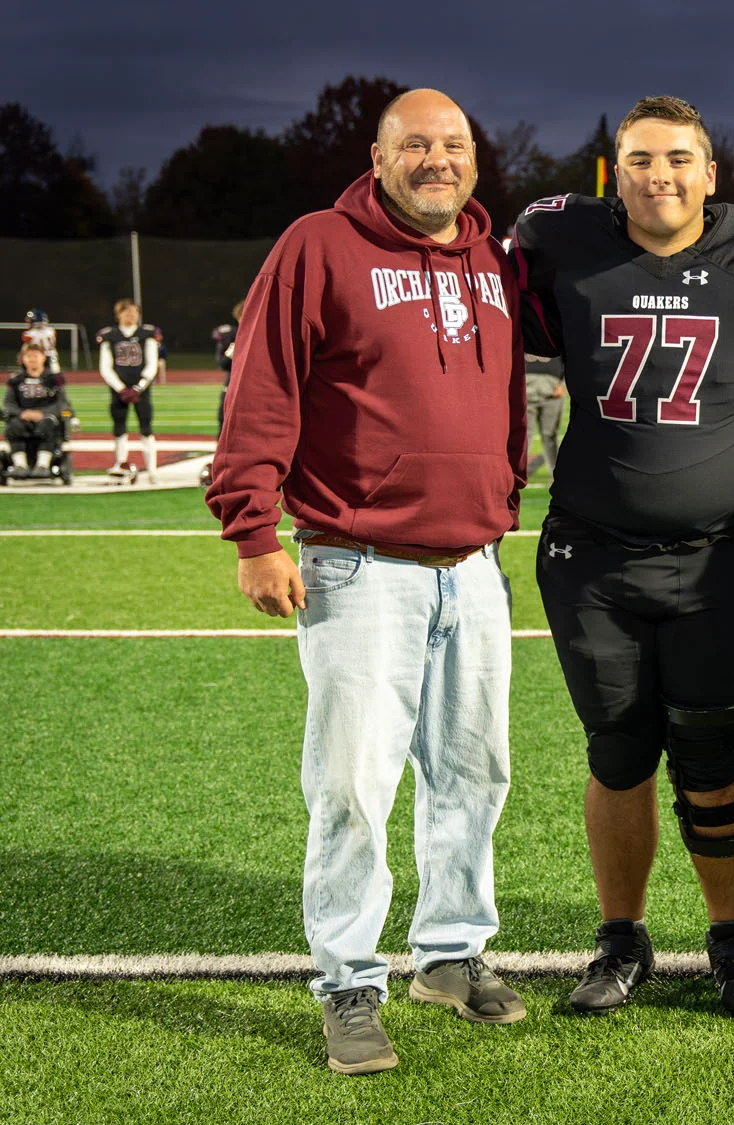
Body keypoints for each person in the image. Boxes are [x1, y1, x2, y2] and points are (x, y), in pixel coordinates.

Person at [206, 88, 529, 1076]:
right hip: (358, 565)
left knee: (473, 777)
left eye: (455, 145)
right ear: (379, 156)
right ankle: (349, 980)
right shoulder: (319, 244)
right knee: (351, 784)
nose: (439, 159)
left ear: (475, 159)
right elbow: (264, 386)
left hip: (473, 569)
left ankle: (449, 953)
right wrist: (253, 530)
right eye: (418, 145)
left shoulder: (494, 260)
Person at [513, 95, 734, 1017]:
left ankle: (733, 939)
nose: (662, 177)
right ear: (617, 170)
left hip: (720, 557)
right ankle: (622, 938)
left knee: (714, 753)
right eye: (642, 160)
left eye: (680, 159)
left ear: (712, 172)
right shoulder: (557, 240)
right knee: (618, 753)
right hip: (591, 557)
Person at [96, 300, 162, 483]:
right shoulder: (109, 336)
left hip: (141, 390)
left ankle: (152, 471)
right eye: (126, 313)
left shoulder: (146, 334)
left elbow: (152, 363)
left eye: (134, 312)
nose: (131, 316)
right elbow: (105, 367)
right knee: (119, 429)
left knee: (146, 429)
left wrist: (138, 387)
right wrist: (121, 389)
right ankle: (120, 466)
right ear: (118, 315)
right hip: (119, 390)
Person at [3, 341, 69, 479]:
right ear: (22, 359)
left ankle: (42, 465)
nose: (32, 359)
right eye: (28, 356)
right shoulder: (16, 379)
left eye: (35, 356)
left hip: (47, 418)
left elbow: (62, 403)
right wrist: (22, 413)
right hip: (23, 418)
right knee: (14, 426)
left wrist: (43, 413)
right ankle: (20, 465)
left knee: (48, 425)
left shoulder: (54, 379)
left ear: (43, 357)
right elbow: (8, 403)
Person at [524, 353, 565, 475]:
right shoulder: (518, 334)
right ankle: (516, 474)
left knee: (549, 435)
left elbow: (570, 355)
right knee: (525, 435)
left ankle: (557, 475)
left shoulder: (559, 334)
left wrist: (562, 384)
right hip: (527, 387)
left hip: (552, 389)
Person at [212, 300, 244, 433]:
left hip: (255, 391)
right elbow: (222, 364)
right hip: (231, 388)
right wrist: (234, 349)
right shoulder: (231, 338)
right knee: (224, 429)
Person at [21, 309, 60, 375]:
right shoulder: (52, 331)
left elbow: (25, 348)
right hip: (52, 357)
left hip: (39, 359)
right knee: (56, 378)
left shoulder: (29, 334)